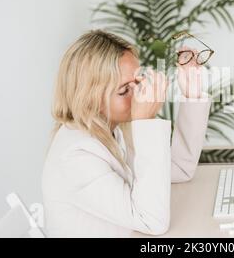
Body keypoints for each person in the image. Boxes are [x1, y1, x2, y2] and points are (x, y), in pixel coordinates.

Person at [42, 30, 211, 237]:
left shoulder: (113, 129)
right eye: (124, 91)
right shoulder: (76, 155)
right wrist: (145, 122)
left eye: (138, 82)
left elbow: (179, 168)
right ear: (89, 99)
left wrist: (192, 94)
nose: (139, 95)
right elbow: (151, 221)